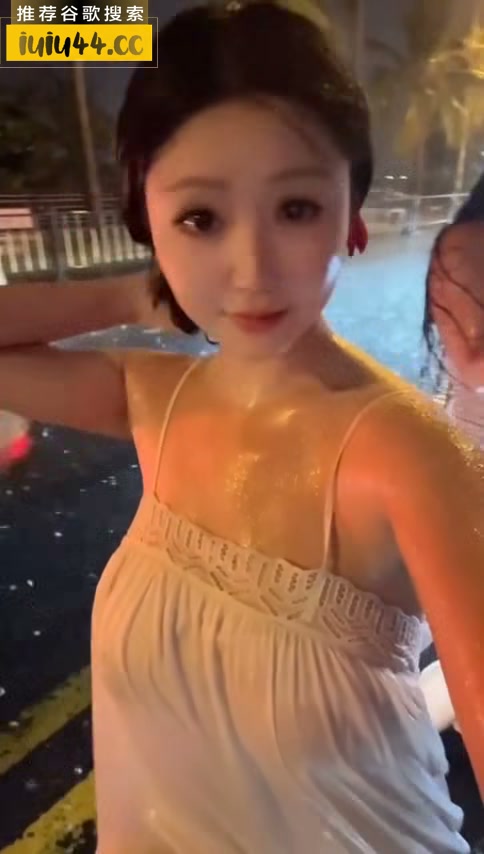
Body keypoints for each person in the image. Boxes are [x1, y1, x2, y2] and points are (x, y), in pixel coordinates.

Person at [0, 2, 482, 851]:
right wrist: (132, 293)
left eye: (295, 208)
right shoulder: (154, 398)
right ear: (146, 220)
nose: (252, 269)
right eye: (200, 218)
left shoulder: (406, 454)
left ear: (352, 214)